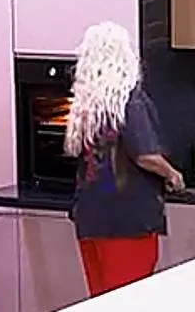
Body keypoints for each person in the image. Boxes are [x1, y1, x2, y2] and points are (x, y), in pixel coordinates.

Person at [65, 20, 184, 296]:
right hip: (129, 220)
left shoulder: (86, 106)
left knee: (100, 300)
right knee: (128, 302)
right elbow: (146, 155)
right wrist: (172, 174)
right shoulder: (131, 101)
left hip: (90, 217)